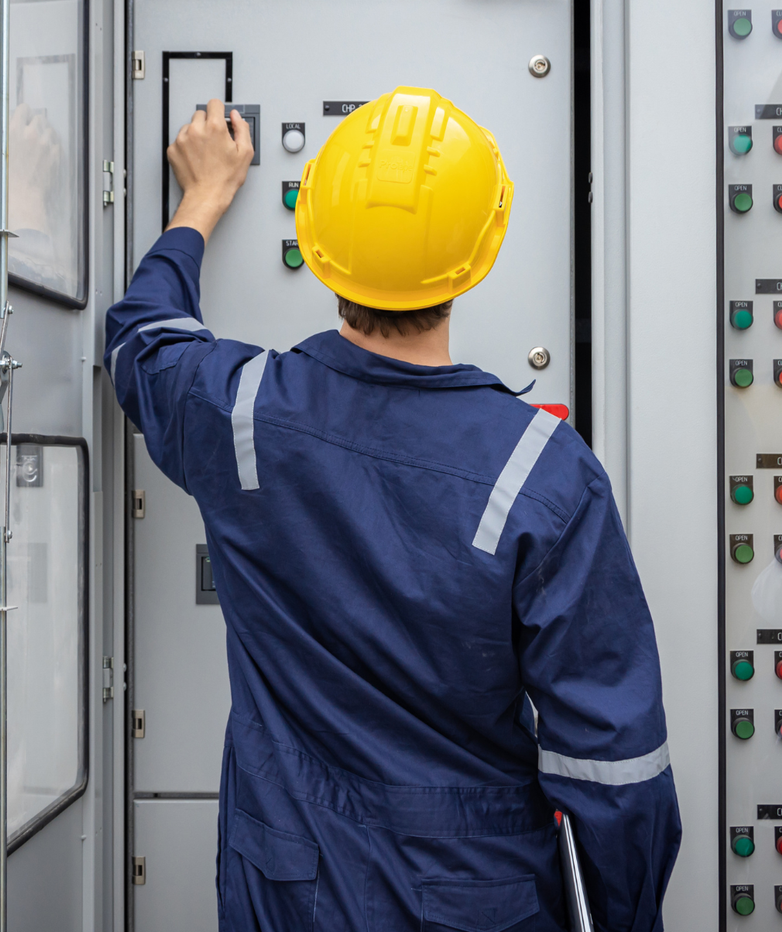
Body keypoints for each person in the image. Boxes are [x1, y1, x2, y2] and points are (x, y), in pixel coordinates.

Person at [107, 88, 680, 931]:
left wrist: (204, 194)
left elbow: (141, 340)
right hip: (480, 898)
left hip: (287, 889)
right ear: (480, 254)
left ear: (317, 241)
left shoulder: (241, 413)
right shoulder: (543, 472)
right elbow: (614, 772)